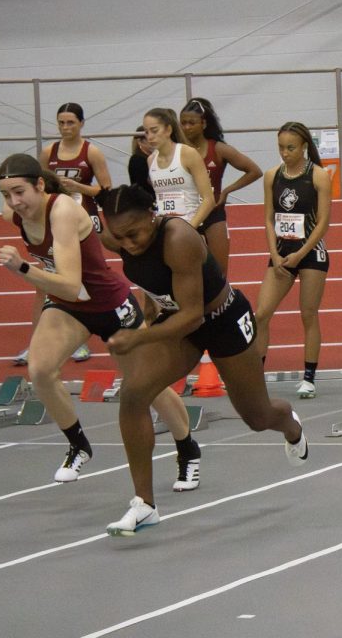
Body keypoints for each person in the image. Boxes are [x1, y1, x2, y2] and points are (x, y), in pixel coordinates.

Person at [97, 181, 308, 537]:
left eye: (133, 234)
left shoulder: (179, 238)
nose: (127, 244)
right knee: (133, 394)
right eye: (120, 237)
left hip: (220, 318)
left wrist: (138, 337)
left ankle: (288, 422)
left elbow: (192, 316)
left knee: (257, 417)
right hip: (178, 325)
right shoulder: (115, 237)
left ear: (153, 215)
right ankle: (144, 504)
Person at [0, 154, 197, 485]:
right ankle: (78, 445)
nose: (14, 202)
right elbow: (67, 293)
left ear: (40, 185)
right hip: (68, 306)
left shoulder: (60, 211)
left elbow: (71, 283)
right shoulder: (15, 213)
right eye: (6, 195)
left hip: (109, 305)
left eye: (20, 192)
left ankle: (187, 449)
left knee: (146, 387)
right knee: (40, 370)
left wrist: (22, 267)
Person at [13, 102, 111, 366]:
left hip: (82, 221)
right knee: (43, 283)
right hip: (53, 221)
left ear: (81, 124)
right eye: (61, 123)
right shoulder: (49, 152)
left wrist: (78, 186)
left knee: (79, 282)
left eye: (71, 123)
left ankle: (79, 341)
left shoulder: (92, 152)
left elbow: (105, 189)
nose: (66, 128)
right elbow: (35, 185)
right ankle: (37, 343)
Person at [256, 122, 332, 399]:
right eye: (280, 148)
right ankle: (256, 375)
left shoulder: (319, 176)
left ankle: (309, 378)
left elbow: (323, 222)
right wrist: (274, 254)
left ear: (303, 147)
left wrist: (301, 253)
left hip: (310, 252)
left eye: (290, 148)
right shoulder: (271, 176)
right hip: (280, 252)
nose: (285, 153)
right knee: (261, 314)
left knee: (308, 314)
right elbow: (268, 217)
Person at [179, 97, 263, 275]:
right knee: (186, 270)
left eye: (191, 123)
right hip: (186, 214)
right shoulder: (177, 151)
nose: (186, 127)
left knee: (219, 273)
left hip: (213, 214)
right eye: (183, 123)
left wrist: (227, 191)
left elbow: (254, 171)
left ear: (203, 123)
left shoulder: (218, 149)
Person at [143, 107, 215, 229]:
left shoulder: (188, 154)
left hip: (190, 227)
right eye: (146, 132)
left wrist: (190, 229)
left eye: (154, 131)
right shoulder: (151, 160)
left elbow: (209, 200)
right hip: (164, 228)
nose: (150, 137)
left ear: (168, 130)